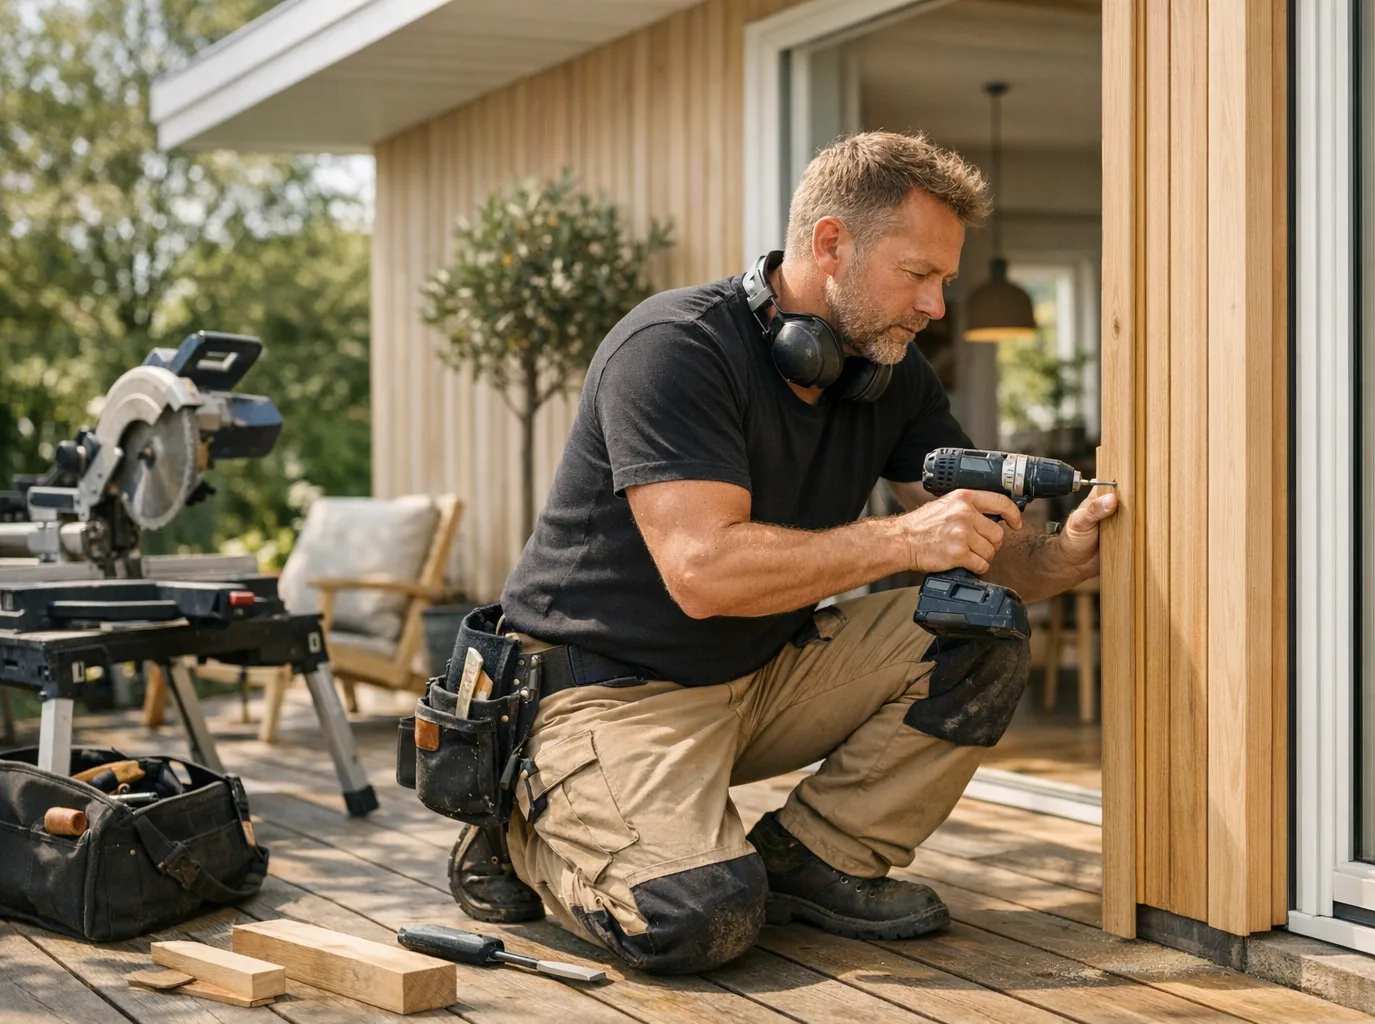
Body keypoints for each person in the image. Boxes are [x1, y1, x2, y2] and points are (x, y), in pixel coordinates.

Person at [446, 131, 1118, 974]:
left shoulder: (890, 374)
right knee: (698, 921)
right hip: (605, 696)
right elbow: (703, 572)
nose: (937, 306)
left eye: (944, 279)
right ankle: (520, 826)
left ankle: (820, 858)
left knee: (980, 624)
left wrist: (1057, 558)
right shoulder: (674, 349)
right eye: (917, 275)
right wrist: (904, 538)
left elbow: (983, 547)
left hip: (761, 678)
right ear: (831, 243)